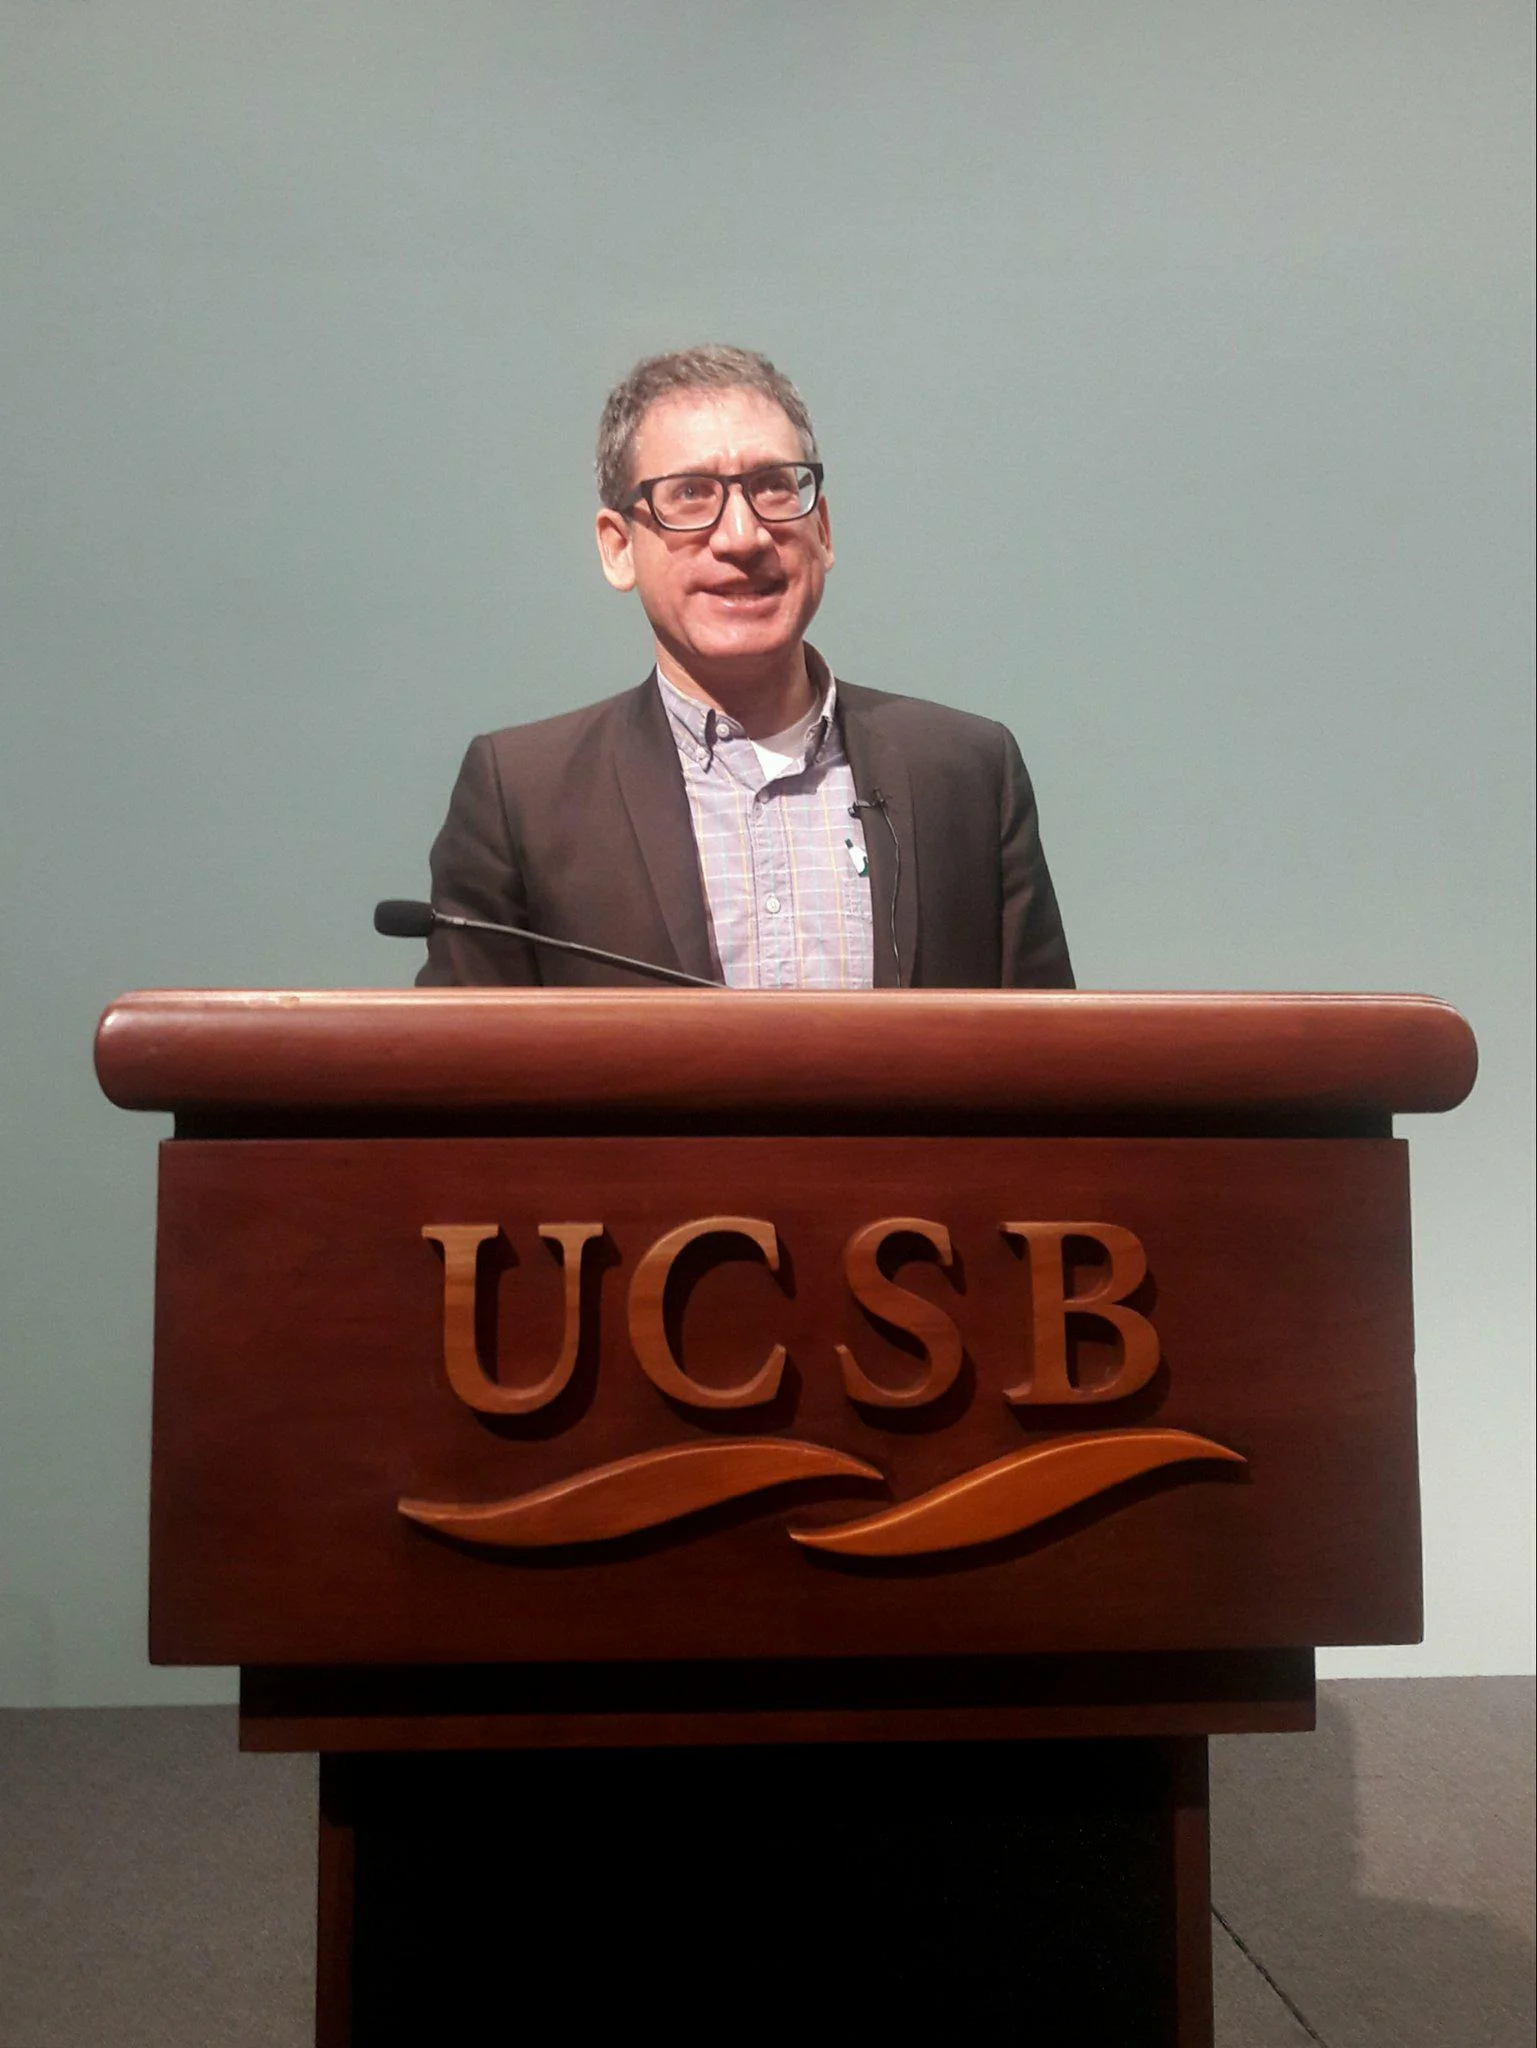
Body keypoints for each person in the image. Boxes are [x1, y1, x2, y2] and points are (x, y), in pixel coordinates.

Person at [417, 344, 1073, 990]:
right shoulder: (523, 795)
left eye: (771, 487)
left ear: (823, 531)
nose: (742, 536)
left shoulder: (966, 772)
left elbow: (1053, 1070)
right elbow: (459, 1079)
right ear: (618, 548)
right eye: (691, 495)